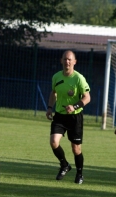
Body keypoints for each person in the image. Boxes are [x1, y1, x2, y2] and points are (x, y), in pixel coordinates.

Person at [46, 50, 91, 184]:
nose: (67, 62)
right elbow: (53, 93)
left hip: (75, 117)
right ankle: (64, 165)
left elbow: (87, 97)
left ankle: (80, 173)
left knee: (76, 148)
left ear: (74, 62)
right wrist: (49, 108)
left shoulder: (79, 78)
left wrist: (75, 106)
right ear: (61, 61)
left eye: (70, 59)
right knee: (54, 142)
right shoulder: (56, 77)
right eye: (65, 59)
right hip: (60, 115)